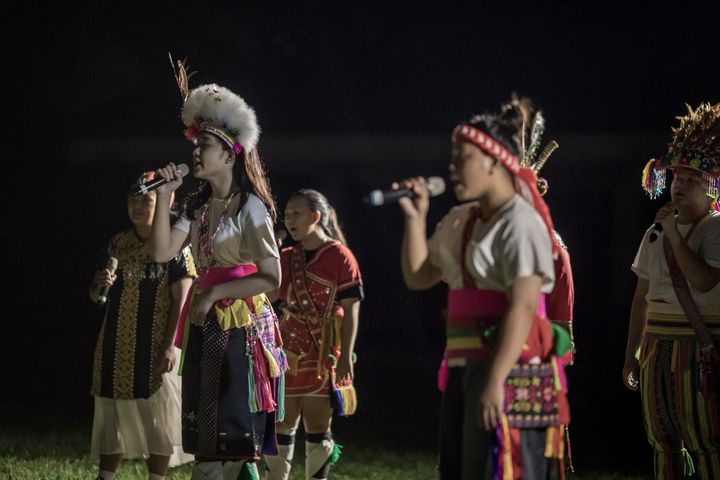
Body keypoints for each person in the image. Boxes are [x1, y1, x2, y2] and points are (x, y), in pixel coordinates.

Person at [396, 96, 571, 479]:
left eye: (463, 158)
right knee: (460, 468)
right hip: (464, 366)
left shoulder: (521, 222)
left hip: (512, 366)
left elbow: (523, 307)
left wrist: (495, 380)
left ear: (494, 160)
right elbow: (419, 277)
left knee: (504, 466)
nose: (453, 168)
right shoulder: (460, 220)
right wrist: (416, 219)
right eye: (453, 158)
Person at [150, 63, 287, 480]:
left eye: (205, 145)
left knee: (231, 432)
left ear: (230, 154)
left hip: (241, 325)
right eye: (196, 145)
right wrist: (164, 198)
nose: (196, 153)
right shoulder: (195, 206)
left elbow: (271, 277)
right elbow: (161, 251)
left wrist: (210, 294)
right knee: (206, 429)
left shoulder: (251, 208)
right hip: (208, 325)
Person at [624, 102, 720, 479]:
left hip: (700, 345)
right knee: (662, 438)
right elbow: (640, 298)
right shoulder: (655, 232)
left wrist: (676, 238)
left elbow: (703, 280)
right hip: (657, 346)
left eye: (692, 179)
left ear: (712, 188)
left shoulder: (715, 229)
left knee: (706, 436)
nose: (680, 184)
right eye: (677, 177)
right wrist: (631, 354)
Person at [88, 173, 195, 480]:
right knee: (110, 413)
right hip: (115, 343)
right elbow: (96, 296)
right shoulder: (117, 243)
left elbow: (182, 299)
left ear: (164, 202)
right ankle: (105, 476)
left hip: (156, 343)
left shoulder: (175, 243)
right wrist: (98, 285)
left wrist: (169, 344)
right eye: (132, 200)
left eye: (145, 200)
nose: (137, 206)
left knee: (157, 418)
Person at [265, 189, 363, 480]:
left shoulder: (340, 256)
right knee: (282, 425)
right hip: (286, 353)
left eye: (296, 213)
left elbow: (352, 310)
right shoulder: (285, 257)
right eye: (287, 213)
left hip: (322, 355)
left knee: (318, 429)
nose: (289, 219)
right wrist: (268, 256)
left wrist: (345, 356)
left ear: (316, 216)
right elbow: (268, 297)